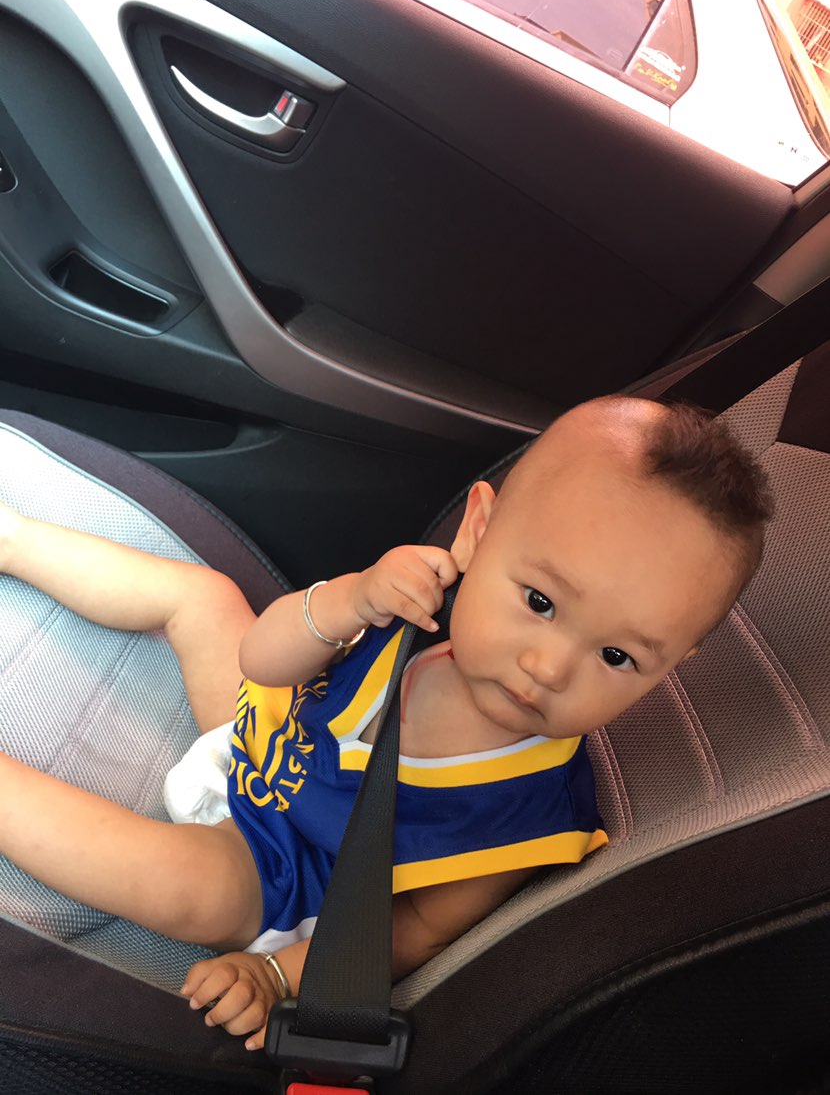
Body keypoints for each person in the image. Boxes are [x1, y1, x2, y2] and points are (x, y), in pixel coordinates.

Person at [0, 396, 771, 1051]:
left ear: (672, 665)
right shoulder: (419, 605)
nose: (548, 666)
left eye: (616, 655)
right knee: (205, 598)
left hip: (281, 878)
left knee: (183, 884)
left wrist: (275, 975)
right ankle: (15, 538)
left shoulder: (525, 818)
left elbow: (411, 930)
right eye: (539, 602)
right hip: (263, 740)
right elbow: (263, 661)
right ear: (478, 530)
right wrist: (350, 600)